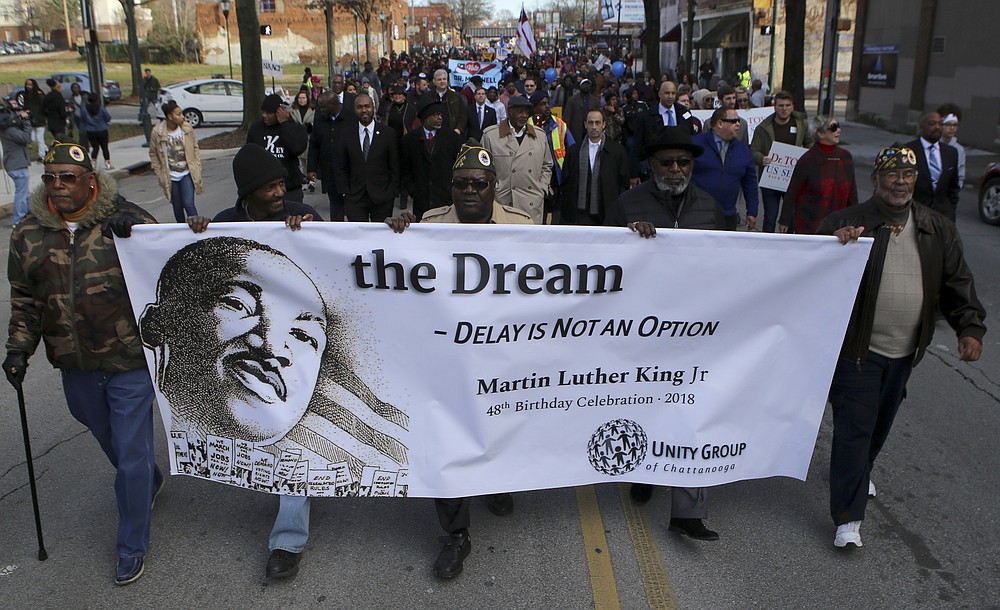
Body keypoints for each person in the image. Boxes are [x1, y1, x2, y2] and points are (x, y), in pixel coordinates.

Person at [4, 142, 163, 585]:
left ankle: (132, 545)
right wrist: (19, 348)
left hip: (128, 360)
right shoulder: (28, 234)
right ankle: (147, 480)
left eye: (68, 178)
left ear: (90, 180)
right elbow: (25, 301)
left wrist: (139, 226)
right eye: (51, 177)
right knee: (107, 435)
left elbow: (165, 266)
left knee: (131, 451)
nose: (58, 187)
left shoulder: (123, 224)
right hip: (73, 364)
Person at [819, 147, 986, 549]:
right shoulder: (845, 223)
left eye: (907, 175)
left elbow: (957, 283)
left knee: (878, 426)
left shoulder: (937, 228)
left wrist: (970, 327)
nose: (900, 182)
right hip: (856, 351)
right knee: (854, 429)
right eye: (891, 174)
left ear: (915, 180)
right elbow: (812, 278)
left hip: (905, 352)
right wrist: (834, 247)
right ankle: (848, 518)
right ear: (875, 179)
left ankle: (858, 472)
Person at [384, 144, 531, 579]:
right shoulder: (426, 227)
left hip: (499, 356)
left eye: (479, 185)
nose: (470, 191)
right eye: (462, 184)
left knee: (496, 427)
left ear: (494, 188)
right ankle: (456, 534)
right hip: (445, 358)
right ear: (452, 188)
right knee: (446, 439)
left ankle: (493, 483)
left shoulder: (523, 227)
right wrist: (395, 234)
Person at [605, 126, 725, 541]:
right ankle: (644, 468)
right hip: (641, 332)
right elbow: (599, 263)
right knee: (645, 408)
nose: (676, 169)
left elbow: (733, 266)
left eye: (684, 163)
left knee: (694, 412)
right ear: (651, 165)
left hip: (697, 333)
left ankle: (688, 513)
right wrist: (628, 243)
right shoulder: (627, 205)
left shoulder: (711, 207)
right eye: (667, 162)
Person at [480, 95, 552, 224]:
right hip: (502, 200)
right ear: (509, 112)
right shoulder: (491, 136)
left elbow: (547, 165)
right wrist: (495, 188)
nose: (524, 115)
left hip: (531, 201)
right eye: (520, 111)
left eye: (526, 111)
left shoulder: (540, 136)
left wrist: (542, 187)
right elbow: (483, 168)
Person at [750, 91, 815, 232]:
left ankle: (788, 243)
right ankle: (768, 244)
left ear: (792, 107)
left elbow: (810, 143)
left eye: (787, 105)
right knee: (770, 216)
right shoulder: (763, 127)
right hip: (770, 178)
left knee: (791, 216)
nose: (784, 109)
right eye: (780, 105)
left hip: (793, 178)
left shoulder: (801, 125)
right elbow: (754, 149)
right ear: (774, 106)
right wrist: (762, 159)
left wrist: (806, 157)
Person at [780, 116, 857, 234]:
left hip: (841, 226)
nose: (838, 130)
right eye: (833, 127)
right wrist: (784, 220)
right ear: (820, 133)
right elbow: (792, 192)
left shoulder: (845, 157)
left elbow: (852, 193)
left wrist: (855, 221)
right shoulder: (807, 160)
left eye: (838, 126)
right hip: (811, 226)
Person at [334, 93, 400, 222]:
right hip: (355, 197)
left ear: (373, 107)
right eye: (359, 107)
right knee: (358, 238)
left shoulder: (388, 134)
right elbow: (341, 165)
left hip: (382, 196)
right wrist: (345, 191)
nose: (364, 110)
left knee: (380, 238)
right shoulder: (346, 134)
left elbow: (395, 165)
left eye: (367, 106)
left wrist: (392, 191)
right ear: (354, 110)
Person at [691, 107, 759, 231]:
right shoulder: (696, 145)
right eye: (733, 121)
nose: (738, 124)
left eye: (738, 120)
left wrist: (752, 211)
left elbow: (750, 183)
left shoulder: (743, 150)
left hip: (728, 215)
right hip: (698, 214)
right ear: (720, 123)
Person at [560, 109, 629, 226]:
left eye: (597, 123)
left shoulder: (617, 151)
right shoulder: (574, 151)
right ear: (585, 124)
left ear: (604, 125)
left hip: (607, 212)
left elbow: (623, 182)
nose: (594, 127)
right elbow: (566, 180)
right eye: (590, 123)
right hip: (579, 212)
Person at [400, 98, 462, 220]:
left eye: (440, 115)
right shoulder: (409, 140)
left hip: (445, 199)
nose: (440, 118)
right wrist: (413, 191)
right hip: (421, 200)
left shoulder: (452, 138)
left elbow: (458, 166)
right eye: (435, 115)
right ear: (425, 117)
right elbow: (405, 169)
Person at [629, 81, 697, 185]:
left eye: (673, 93)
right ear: (659, 93)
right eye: (667, 93)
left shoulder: (684, 113)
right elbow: (637, 146)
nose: (670, 96)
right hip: (655, 169)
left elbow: (691, 139)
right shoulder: (645, 117)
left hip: (680, 168)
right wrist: (634, 174)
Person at [247, 94, 309, 203]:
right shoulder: (256, 129)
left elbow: (297, 148)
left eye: (268, 113)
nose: (264, 115)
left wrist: (284, 124)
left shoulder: (294, 128)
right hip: (263, 189)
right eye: (263, 112)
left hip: (290, 187)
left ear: (279, 112)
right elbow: (249, 154)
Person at [149, 99, 203, 222]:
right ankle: (181, 231)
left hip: (186, 173)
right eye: (178, 114)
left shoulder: (187, 129)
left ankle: (196, 229)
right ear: (170, 116)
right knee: (177, 206)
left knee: (189, 204)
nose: (182, 117)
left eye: (182, 113)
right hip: (171, 176)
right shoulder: (157, 132)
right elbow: (153, 153)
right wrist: (159, 172)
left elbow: (195, 147)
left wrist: (197, 165)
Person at [905, 111, 961, 221]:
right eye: (932, 124)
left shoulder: (951, 153)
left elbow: (953, 187)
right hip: (914, 215)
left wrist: (950, 210)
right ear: (921, 127)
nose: (937, 127)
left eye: (940, 124)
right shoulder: (908, 150)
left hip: (942, 217)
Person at [308, 93, 350, 221]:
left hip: (349, 172)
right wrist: (311, 168)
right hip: (330, 172)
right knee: (335, 207)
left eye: (324, 107)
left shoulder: (351, 118)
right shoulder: (320, 119)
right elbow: (314, 145)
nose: (321, 110)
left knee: (353, 208)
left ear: (334, 105)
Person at [529, 90, 574, 194]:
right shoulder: (527, 125)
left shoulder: (559, 124)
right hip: (536, 172)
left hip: (557, 174)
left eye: (547, 103)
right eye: (542, 104)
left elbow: (572, 147)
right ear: (534, 108)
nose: (547, 106)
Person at [0, 103, 33, 224]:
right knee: (21, 194)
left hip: (15, 164)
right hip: (17, 165)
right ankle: (19, 220)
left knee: (23, 193)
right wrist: (26, 121)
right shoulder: (10, 131)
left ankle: (26, 216)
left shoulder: (5, 130)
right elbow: (26, 138)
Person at [426, 69, 467, 138]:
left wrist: (458, 129)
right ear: (434, 81)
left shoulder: (456, 97)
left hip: (452, 134)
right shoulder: (428, 96)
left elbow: (463, 115)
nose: (442, 81)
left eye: (444, 79)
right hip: (433, 134)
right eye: (439, 79)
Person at [289, 90, 316, 192]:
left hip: (310, 139)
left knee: (311, 162)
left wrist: (310, 127)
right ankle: (304, 181)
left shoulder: (313, 110)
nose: (302, 100)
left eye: (304, 98)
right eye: (300, 98)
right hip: (299, 139)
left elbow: (315, 124)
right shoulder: (293, 111)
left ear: (307, 99)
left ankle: (312, 181)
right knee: (302, 163)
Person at [562, 78, 601, 146]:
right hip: (576, 131)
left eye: (588, 85)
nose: (586, 86)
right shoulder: (572, 100)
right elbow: (566, 117)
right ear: (580, 86)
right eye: (584, 84)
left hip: (590, 129)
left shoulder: (595, 101)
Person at [937, 103, 966, 189]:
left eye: (955, 125)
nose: (952, 128)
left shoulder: (959, 150)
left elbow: (960, 176)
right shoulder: (931, 145)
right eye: (948, 124)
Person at [81, 94, 113, 170]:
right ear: (97, 100)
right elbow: (108, 118)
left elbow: (83, 120)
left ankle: (93, 163)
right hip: (102, 130)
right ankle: (107, 164)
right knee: (105, 147)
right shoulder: (101, 109)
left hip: (90, 131)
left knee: (95, 147)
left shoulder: (85, 110)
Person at [68, 82, 89, 149]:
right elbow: (71, 108)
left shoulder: (84, 97)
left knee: (84, 132)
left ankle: (84, 146)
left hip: (85, 116)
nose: (75, 89)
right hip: (77, 117)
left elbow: (88, 105)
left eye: (77, 87)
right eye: (74, 88)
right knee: (81, 131)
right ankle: (82, 146)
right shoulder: (72, 99)